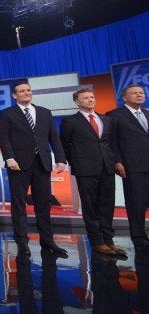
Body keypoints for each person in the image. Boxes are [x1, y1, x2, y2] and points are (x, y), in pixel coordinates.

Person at [0, 82, 67, 257]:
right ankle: (22, 242)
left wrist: (60, 158)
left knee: (44, 204)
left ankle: (47, 240)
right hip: (18, 164)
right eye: (22, 91)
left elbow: (54, 137)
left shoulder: (44, 112)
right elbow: (3, 138)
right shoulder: (7, 113)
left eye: (28, 90)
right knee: (19, 205)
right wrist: (9, 157)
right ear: (14, 95)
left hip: (42, 163)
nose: (26, 93)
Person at [60, 88, 125, 255]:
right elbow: (64, 145)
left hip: (107, 167)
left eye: (92, 97)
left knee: (107, 205)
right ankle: (97, 241)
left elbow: (112, 143)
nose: (90, 100)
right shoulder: (70, 121)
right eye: (86, 98)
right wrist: (76, 163)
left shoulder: (107, 119)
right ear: (77, 102)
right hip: (85, 170)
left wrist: (116, 162)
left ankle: (109, 240)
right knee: (91, 208)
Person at [106, 84, 149, 253]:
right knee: (136, 202)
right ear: (124, 97)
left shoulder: (147, 113)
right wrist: (117, 161)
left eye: (141, 92)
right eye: (135, 93)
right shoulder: (115, 115)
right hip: (132, 165)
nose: (139, 95)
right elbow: (112, 141)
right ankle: (138, 237)